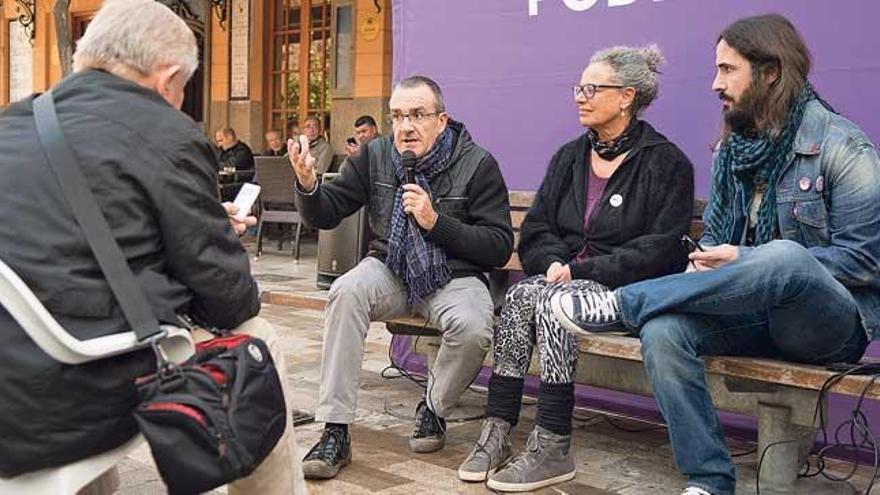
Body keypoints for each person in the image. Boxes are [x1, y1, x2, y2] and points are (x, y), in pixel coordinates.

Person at [552, 14, 878, 495]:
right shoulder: (732, 150)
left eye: (728, 70)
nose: (714, 83)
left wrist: (750, 259)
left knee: (784, 255)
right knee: (664, 333)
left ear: (769, 73)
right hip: (753, 314)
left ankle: (623, 305)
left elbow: (866, 261)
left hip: (828, 322)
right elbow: (719, 240)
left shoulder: (841, 145)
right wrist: (707, 262)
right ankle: (709, 478)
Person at [0, 1, 306, 493]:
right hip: (76, 389)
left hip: (13, 379)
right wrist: (215, 231)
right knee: (257, 336)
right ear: (167, 79)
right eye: (184, 89)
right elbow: (228, 299)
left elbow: (71, 240)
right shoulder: (167, 133)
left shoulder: (12, 124)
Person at [457, 46, 695, 492]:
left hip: (626, 294)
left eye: (591, 88)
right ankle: (498, 428)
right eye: (578, 88)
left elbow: (663, 250)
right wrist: (552, 263)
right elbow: (537, 229)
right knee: (525, 294)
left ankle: (552, 442)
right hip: (562, 284)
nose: (580, 97)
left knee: (552, 302)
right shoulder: (569, 157)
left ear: (626, 97)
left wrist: (589, 271)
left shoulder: (666, 163)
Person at [289, 75, 514, 480]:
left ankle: (433, 406)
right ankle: (335, 430)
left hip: (454, 273)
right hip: (391, 267)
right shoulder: (376, 156)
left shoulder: (477, 163)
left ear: (441, 121)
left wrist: (435, 222)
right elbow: (327, 212)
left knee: (475, 325)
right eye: (396, 116)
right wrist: (308, 185)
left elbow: (498, 247)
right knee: (345, 292)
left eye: (417, 115)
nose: (406, 127)